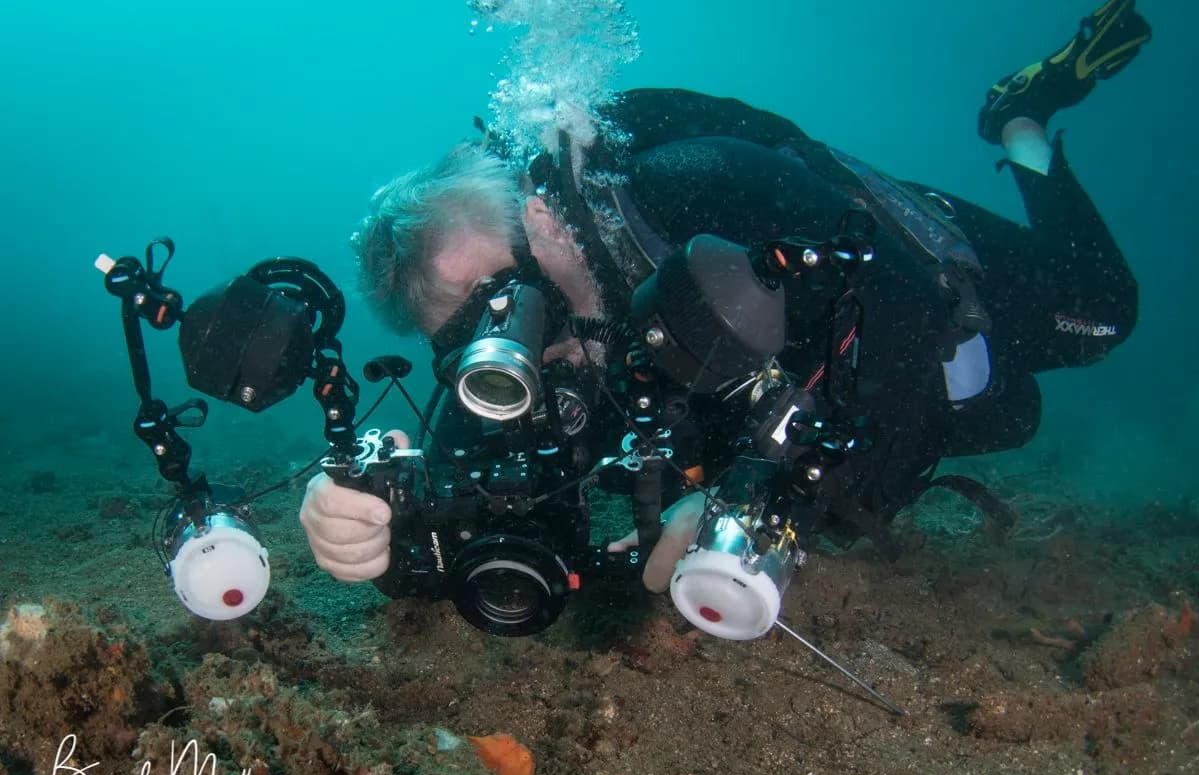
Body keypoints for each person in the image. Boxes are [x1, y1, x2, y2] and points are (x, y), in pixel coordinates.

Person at [300, 1, 1150, 595]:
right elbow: (474, 494)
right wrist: (378, 529)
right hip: (863, 389)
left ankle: (1022, 121)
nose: (527, 341)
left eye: (521, 301)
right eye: (475, 339)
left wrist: (763, 502)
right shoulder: (517, 359)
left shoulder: (697, 186)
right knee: (1007, 409)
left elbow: (900, 339)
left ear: (547, 222)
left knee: (1102, 316)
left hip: (925, 279)